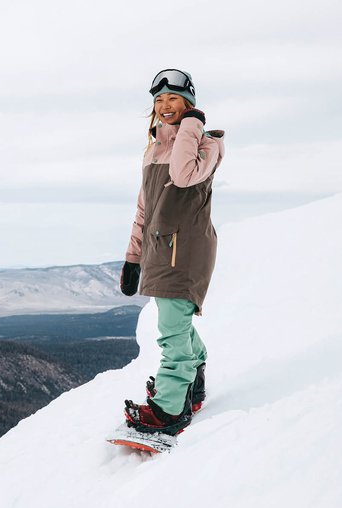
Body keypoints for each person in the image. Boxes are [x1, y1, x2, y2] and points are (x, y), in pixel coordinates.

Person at [119, 69, 225, 435]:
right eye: (159, 101)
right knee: (176, 324)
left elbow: (182, 175)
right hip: (159, 249)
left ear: (189, 105)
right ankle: (192, 381)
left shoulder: (207, 144)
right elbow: (143, 210)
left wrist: (192, 126)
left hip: (187, 249)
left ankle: (168, 410)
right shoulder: (153, 150)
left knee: (170, 331)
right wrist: (132, 258)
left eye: (174, 100)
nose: (165, 107)